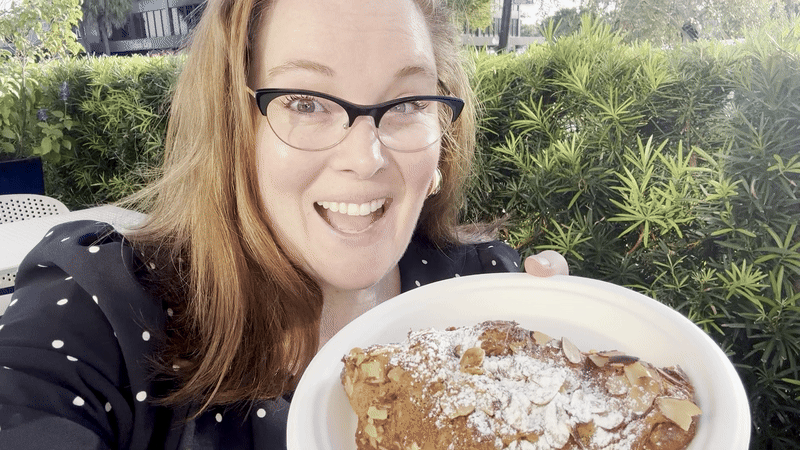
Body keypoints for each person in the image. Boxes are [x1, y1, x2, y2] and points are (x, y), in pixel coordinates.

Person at [0, 0, 568, 448]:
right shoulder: (103, 311)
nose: (365, 157)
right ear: (233, 127)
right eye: (304, 102)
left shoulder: (487, 294)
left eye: (405, 103)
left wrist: (577, 394)